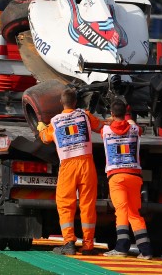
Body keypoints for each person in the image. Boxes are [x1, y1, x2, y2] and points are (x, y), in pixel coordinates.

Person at [37, 87, 104, 256]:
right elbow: (101, 126)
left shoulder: (56, 121)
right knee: (88, 204)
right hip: (86, 163)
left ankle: (69, 243)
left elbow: (45, 138)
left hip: (67, 165)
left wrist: (41, 128)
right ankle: (88, 245)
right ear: (76, 102)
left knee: (65, 204)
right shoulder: (84, 115)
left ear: (61, 102)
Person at [101, 99, 152, 260]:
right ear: (125, 113)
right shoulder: (135, 129)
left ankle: (121, 247)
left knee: (121, 211)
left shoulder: (106, 130)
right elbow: (130, 123)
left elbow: (103, 125)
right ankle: (146, 250)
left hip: (116, 176)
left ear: (111, 114)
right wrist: (127, 114)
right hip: (134, 176)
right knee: (134, 213)